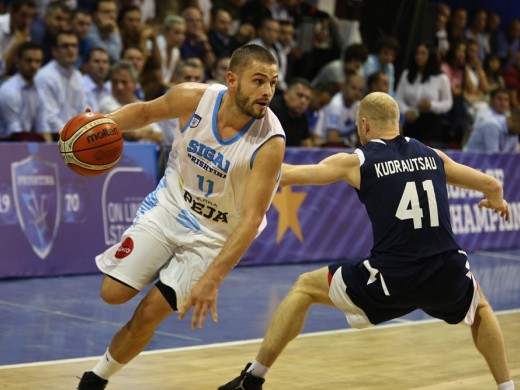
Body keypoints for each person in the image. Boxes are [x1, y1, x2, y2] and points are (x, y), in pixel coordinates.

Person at [219, 91, 515, 390]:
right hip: (444, 272)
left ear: (364, 124)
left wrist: (243, 167)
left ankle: (253, 378)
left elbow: (293, 175)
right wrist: (497, 201)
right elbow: (492, 184)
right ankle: (506, 387)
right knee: (480, 310)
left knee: (304, 288)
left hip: (393, 278)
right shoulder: (432, 154)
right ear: (397, 123)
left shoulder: (358, 160)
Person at [76, 43, 285, 390]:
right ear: (232, 80)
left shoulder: (270, 142)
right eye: (258, 81)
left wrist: (212, 279)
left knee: (148, 315)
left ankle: (95, 379)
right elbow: (144, 113)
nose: (267, 92)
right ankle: (159, 259)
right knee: (111, 294)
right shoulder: (193, 98)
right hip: (172, 206)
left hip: (214, 237)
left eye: (273, 83)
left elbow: (251, 221)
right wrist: (101, 124)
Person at [395, 42, 452, 147]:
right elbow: (398, 98)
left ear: (430, 55)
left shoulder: (441, 78)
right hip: (412, 121)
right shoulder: (407, 74)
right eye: (417, 53)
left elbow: (448, 103)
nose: (419, 56)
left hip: (431, 123)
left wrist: (432, 105)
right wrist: (406, 111)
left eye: (423, 53)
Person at [34, 29, 87, 141]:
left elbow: (83, 110)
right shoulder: (45, 76)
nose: (70, 50)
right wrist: (75, 136)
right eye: (65, 46)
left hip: (75, 138)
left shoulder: (77, 75)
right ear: (54, 51)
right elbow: (49, 117)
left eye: (74, 46)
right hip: (53, 139)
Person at [98, 59, 162, 144]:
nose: (119, 87)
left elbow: (159, 136)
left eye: (124, 82)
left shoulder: (141, 104)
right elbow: (131, 133)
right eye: (115, 82)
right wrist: (147, 132)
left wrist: (136, 132)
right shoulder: (106, 103)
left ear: (135, 84)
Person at [0, 41, 49, 141]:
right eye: (29, 61)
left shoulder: (39, 91)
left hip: (26, 141)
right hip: (6, 144)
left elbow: (42, 126)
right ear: (18, 61)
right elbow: (15, 133)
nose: (33, 65)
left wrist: (50, 150)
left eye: (37, 61)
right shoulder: (8, 90)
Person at [463, 88, 520, 153]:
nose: (502, 103)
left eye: (506, 100)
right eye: (499, 99)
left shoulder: (510, 119)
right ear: (491, 101)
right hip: (472, 158)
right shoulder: (485, 117)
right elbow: (493, 156)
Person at [269, 77, 313, 147]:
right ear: (286, 94)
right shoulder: (271, 110)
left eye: (307, 98)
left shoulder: (302, 116)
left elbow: (306, 143)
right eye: (300, 95)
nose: (303, 101)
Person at [0, 0, 37, 79]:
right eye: (23, 15)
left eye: (31, 17)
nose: (27, 21)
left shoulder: (25, 31)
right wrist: (16, 45)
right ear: (12, 12)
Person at [82, 47, 111, 112]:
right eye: (97, 61)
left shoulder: (111, 87)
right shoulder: (79, 85)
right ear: (87, 65)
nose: (101, 66)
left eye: (105, 62)